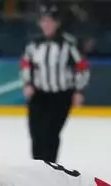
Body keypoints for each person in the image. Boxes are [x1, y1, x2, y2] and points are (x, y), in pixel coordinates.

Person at [20, 5, 88, 163]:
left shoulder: (69, 44)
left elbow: (82, 67)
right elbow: (26, 64)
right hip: (39, 94)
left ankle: (50, 167)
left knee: (50, 132)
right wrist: (28, 83)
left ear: (57, 23)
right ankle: (37, 167)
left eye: (50, 21)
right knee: (36, 133)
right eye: (44, 21)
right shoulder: (33, 44)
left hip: (61, 95)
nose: (46, 25)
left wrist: (79, 90)